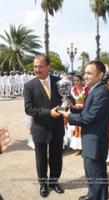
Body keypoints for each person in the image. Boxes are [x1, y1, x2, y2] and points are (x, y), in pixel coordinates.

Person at [59, 61, 109, 200]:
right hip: (90, 138)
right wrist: (74, 108)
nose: (85, 76)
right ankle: (92, 195)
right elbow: (88, 111)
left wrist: (69, 116)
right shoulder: (94, 89)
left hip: (95, 140)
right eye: (85, 72)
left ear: (100, 75)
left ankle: (99, 197)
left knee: (97, 173)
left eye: (89, 73)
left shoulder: (101, 92)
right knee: (90, 171)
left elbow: (89, 118)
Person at [24, 55, 65, 198]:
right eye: (35, 67)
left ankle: (54, 182)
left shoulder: (60, 82)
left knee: (56, 157)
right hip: (40, 128)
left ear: (48, 67)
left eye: (40, 66)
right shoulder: (29, 86)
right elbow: (29, 109)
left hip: (57, 127)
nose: (37, 69)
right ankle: (43, 184)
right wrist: (49, 113)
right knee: (41, 158)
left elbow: (68, 97)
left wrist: (69, 101)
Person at [68, 74, 89, 155]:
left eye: (78, 80)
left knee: (84, 128)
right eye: (75, 80)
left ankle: (85, 147)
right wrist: (71, 104)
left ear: (81, 81)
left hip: (85, 109)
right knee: (77, 128)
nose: (76, 82)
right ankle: (78, 148)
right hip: (76, 109)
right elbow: (69, 98)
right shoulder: (73, 89)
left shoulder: (86, 89)